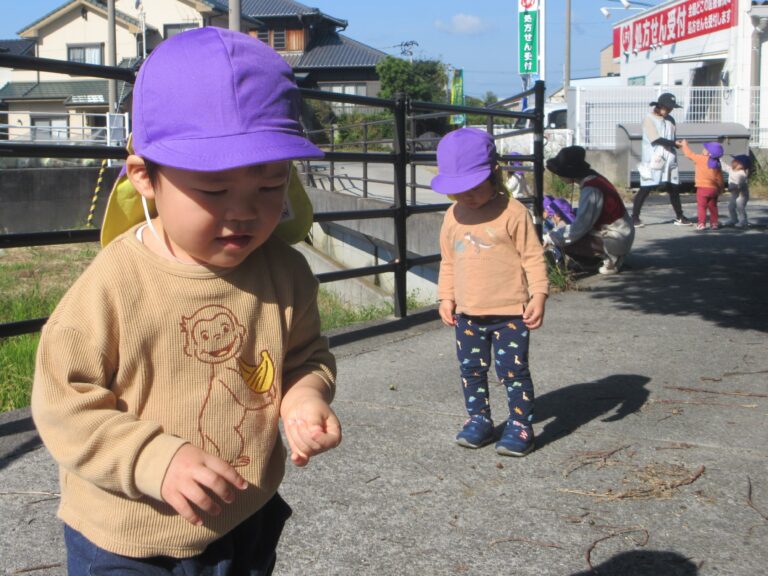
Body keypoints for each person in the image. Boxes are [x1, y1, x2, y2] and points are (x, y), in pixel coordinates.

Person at [31, 27, 341, 574]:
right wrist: (154, 458)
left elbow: (305, 356)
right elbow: (63, 399)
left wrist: (304, 396)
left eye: (270, 186)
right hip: (127, 532)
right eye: (215, 190)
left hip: (244, 513)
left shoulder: (284, 273)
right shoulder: (116, 283)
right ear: (146, 178)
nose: (243, 212)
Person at [432, 127, 549, 457]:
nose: (465, 197)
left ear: (494, 174)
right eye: (456, 190)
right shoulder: (453, 216)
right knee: (470, 370)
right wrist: (446, 297)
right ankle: (479, 419)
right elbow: (449, 261)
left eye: (472, 187)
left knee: (512, 372)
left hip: (511, 313)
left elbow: (532, 256)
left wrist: (538, 294)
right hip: (468, 313)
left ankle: (520, 425)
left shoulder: (513, 213)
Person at [545, 146, 635, 275]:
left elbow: (580, 226)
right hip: (620, 233)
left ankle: (610, 259)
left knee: (563, 239)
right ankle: (600, 259)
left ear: (569, 172)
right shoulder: (594, 179)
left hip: (614, 238)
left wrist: (551, 238)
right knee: (563, 232)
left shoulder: (591, 190)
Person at [632, 92, 693, 227]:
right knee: (646, 186)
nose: (670, 111)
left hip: (669, 157)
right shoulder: (649, 119)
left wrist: (676, 143)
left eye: (671, 108)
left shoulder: (670, 119)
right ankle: (634, 217)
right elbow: (655, 138)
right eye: (667, 108)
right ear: (660, 106)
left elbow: (671, 137)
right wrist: (674, 144)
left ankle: (679, 216)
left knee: (673, 187)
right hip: (654, 157)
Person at [679, 140, 725, 230]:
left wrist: (684, 145)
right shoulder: (717, 163)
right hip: (714, 189)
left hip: (702, 188)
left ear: (708, 152)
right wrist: (721, 188)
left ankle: (701, 224)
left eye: (705, 148)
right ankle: (714, 223)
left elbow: (689, 154)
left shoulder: (700, 159)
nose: (703, 149)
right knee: (713, 207)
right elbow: (720, 178)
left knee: (702, 207)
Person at [723, 154, 751, 228]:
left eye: (735, 160)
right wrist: (718, 159)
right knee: (731, 206)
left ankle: (743, 221)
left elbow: (739, 185)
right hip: (735, 194)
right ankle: (734, 219)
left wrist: (730, 188)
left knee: (740, 206)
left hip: (742, 195)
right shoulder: (732, 170)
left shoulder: (742, 174)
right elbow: (725, 167)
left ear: (741, 165)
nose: (732, 161)